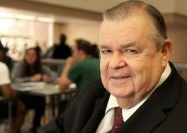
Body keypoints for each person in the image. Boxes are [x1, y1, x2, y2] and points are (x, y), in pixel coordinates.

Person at [45, 1, 187, 133]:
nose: (114, 64)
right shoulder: (89, 94)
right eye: (106, 51)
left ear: (164, 52)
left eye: (130, 50)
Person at [11, 47, 56, 132]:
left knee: (41, 99)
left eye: (33, 55)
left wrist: (47, 78)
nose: (31, 57)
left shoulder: (39, 66)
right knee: (34, 102)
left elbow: (53, 75)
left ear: (37, 57)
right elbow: (14, 79)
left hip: (34, 94)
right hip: (20, 95)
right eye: (29, 55)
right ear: (25, 56)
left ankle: (36, 125)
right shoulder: (20, 65)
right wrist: (30, 79)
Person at [0, 42, 25, 133]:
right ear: (0, 53)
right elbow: (8, 94)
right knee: (21, 107)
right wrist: (16, 100)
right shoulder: (0, 66)